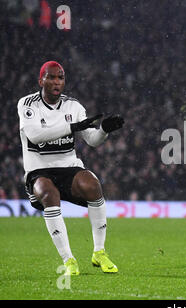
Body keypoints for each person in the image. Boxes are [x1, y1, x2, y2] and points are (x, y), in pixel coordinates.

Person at [18, 61, 125, 275]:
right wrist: (72, 127)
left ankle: (99, 252)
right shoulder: (27, 104)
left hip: (68, 167)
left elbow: (92, 140)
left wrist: (104, 130)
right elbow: (35, 135)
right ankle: (68, 260)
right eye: (51, 77)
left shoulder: (73, 106)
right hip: (39, 170)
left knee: (93, 185)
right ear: (41, 80)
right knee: (48, 194)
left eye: (60, 77)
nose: (57, 82)